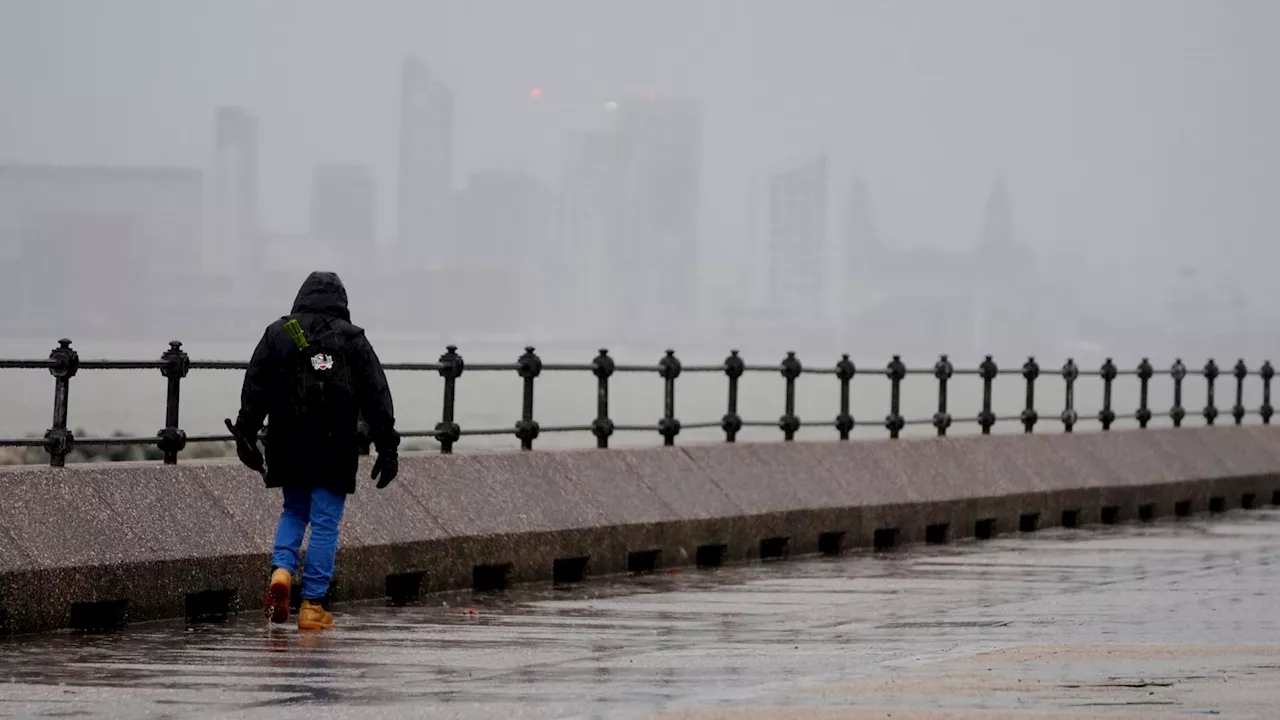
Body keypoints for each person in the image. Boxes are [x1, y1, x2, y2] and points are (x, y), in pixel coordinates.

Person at [231, 271, 399, 631]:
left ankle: (281, 572)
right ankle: (312, 606)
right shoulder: (352, 339)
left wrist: (245, 429)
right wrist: (387, 445)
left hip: (287, 439)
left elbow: (255, 384)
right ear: (342, 301)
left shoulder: (278, 333)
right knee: (325, 521)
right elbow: (375, 394)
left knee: (294, 510)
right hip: (335, 442)